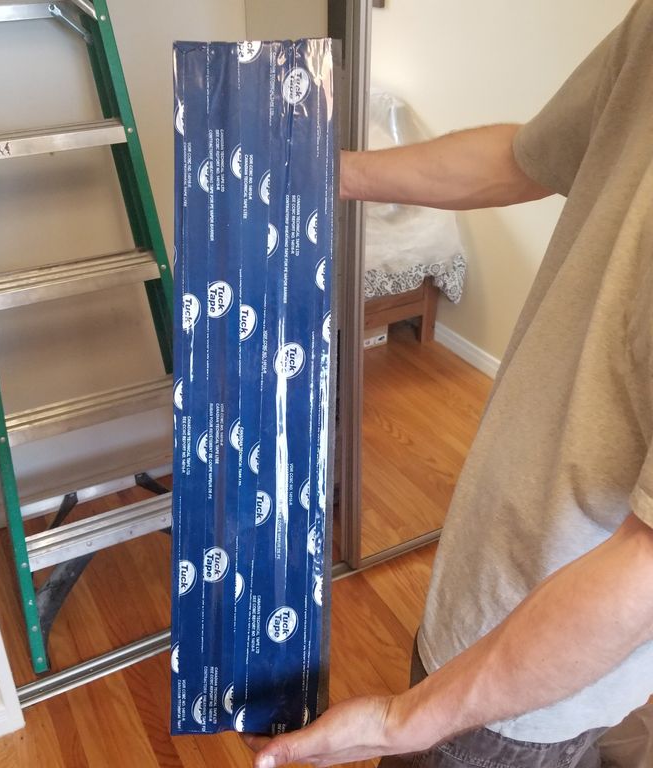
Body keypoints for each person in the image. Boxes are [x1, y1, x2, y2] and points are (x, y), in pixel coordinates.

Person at [245, 1, 653, 766]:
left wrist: (401, 721)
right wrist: (333, 170)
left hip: (535, 669)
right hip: (500, 573)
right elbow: (527, 158)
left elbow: (643, 573)